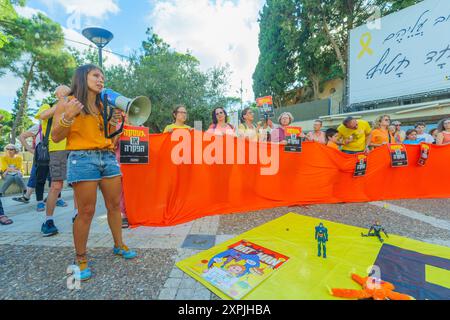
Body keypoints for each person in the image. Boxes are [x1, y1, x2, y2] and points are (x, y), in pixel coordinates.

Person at [51, 64, 137, 281]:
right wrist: (68, 116)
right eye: (96, 75)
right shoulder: (67, 102)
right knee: (87, 211)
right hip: (83, 159)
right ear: (83, 77)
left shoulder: (103, 105)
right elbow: (55, 137)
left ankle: (118, 244)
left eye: (103, 77)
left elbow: (111, 139)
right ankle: (81, 257)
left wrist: (116, 125)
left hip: (107, 158)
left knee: (114, 206)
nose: (101, 80)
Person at [35, 85, 71, 236]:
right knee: (56, 185)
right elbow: (43, 116)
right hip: (57, 148)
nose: (67, 92)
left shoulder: (74, 105)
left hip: (75, 147)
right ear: (57, 94)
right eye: (62, 91)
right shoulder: (48, 105)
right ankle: (48, 221)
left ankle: (77, 215)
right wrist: (62, 103)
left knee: (79, 184)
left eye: (68, 91)